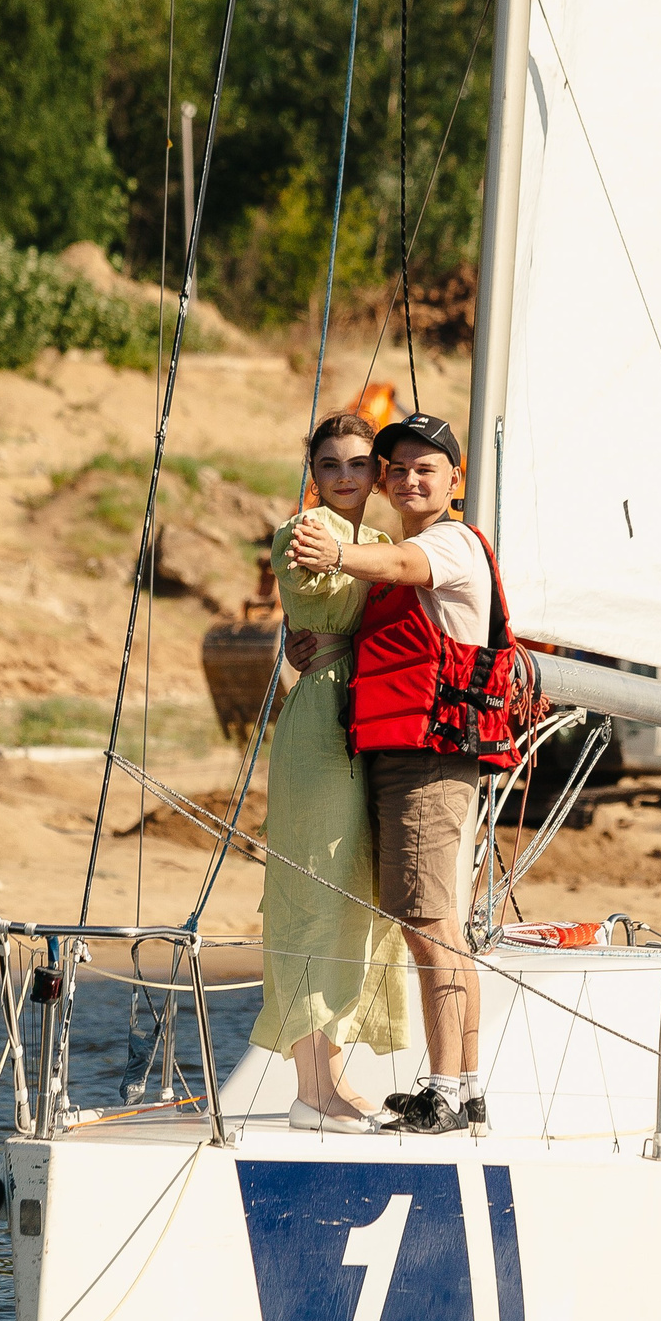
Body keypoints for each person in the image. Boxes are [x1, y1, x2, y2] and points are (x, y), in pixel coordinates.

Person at [287, 412, 520, 1136]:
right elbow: (388, 617)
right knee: (435, 921)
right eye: (399, 468)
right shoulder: (408, 549)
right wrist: (316, 644)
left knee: (429, 924)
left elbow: (395, 568)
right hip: (401, 755)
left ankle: (448, 1092)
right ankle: (464, 1090)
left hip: (430, 759)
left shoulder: (445, 543)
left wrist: (333, 549)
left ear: (454, 479)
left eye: (427, 467)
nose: (410, 478)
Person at [252, 413, 413, 1134]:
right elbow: (334, 589)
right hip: (320, 719)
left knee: (358, 893)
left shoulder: (377, 544)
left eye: (357, 463)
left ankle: (331, 1069)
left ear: (375, 473)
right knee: (313, 889)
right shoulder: (303, 532)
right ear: (312, 471)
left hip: (371, 718)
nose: (344, 476)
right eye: (330, 464)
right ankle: (310, 1084)